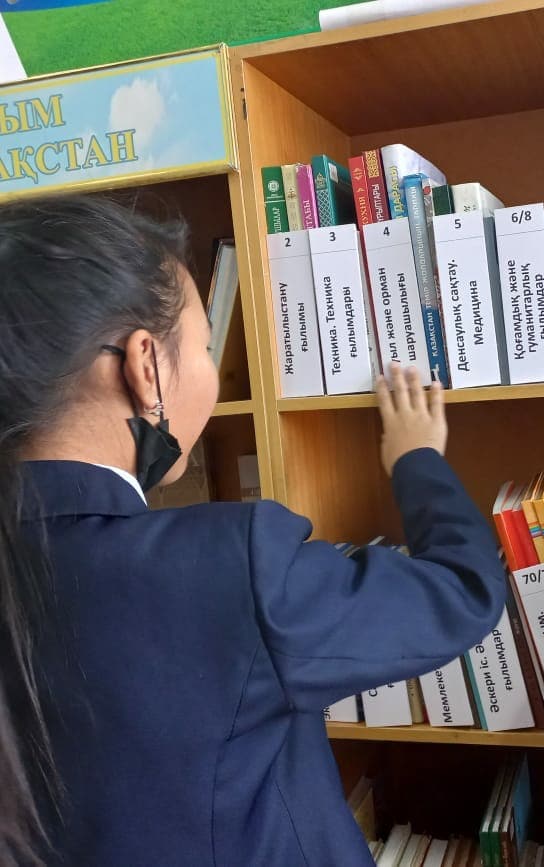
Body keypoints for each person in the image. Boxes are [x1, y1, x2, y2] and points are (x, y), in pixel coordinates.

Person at [0, 195, 505, 866]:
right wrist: (416, 459)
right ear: (145, 366)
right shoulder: (229, 570)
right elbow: (464, 590)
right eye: (206, 347)